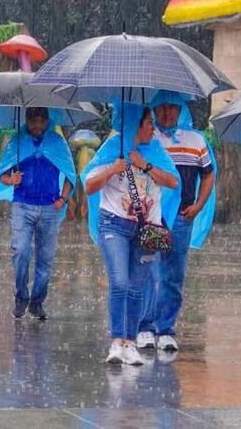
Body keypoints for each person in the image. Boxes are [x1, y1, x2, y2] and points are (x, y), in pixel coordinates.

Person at [83, 103, 179, 366]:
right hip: (114, 224)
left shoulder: (156, 150)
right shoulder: (112, 149)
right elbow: (89, 186)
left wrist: (144, 165)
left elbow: (173, 182)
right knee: (120, 282)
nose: (153, 127)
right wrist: (113, 169)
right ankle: (116, 342)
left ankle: (130, 342)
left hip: (146, 229)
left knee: (137, 288)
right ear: (135, 124)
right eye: (148, 122)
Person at [137, 91, 215, 353]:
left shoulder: (195, 140)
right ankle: (145, 327)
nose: (167, 113)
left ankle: (166, 328)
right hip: (154, 217)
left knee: (173, 274)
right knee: (150, 270)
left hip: (182, 217)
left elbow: (208, 174)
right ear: (154, 110)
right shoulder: (148, 138)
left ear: (181, 110)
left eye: (173, 108)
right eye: (162, 108)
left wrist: (199, 205)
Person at [0, 107, 77, 321]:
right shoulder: (17, 142)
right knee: (20, 252)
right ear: (27, 120)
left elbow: (70, 173)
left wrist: (63, 199)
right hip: (22, 206)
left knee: (45, 259)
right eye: (33, 121)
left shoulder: (58, 142)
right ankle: (21, 296)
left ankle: (37, 302)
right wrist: (12, 180)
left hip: (50, 208)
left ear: (47, 120)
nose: (37, 126)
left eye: (41, 121)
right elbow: (2, 174)